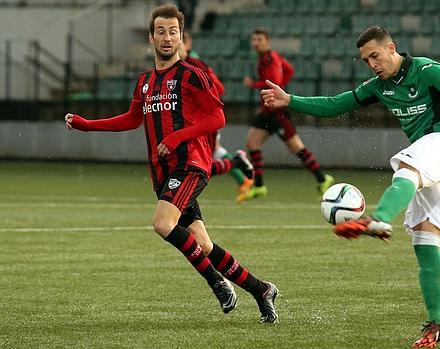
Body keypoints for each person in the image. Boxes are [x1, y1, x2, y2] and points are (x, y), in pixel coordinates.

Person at [261, 26, 440, 348]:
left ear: (391, 48)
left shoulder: (426, 70)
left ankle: (378, 218)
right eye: (365, 60)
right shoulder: (379, 86)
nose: (372, 64)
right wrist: (290, 100)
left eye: (375, 56)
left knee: (406, 170)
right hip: (432, 155)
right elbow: (337, 104)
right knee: (424, 236)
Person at [63, 4, 278, 323]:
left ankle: (218, 284)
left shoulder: (192, 75)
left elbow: (217, 116)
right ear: (151, 38)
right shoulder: (145, 81)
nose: (167, 37)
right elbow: (131, 119)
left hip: (190, 165)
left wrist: (178, 138)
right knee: (203, 246)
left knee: (163, 223)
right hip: (162, 173)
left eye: (173, 31)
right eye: (161, 32)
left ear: (181, 37)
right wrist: (87, 124)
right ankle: (261, 290)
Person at [240, 27, 334, 203]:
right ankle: (259, 185)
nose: (255, 43)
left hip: (278, 112)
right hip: (268, 110)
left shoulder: (269, 58)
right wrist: (280, 85)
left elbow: (273, 81)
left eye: (259, 40)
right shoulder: (268, 57)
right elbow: (289, 69)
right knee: (252, 143)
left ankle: (322, 178)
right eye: (254, 40)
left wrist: (254, 84)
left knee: (296, 147)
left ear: (267, 41)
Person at [179, 35, 255, 199]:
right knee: (209, 157)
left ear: (186, 44)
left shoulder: (193, 64)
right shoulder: (187, 62)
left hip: (202, 120)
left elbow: (217, 89)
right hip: (196, 119)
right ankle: (241, 174)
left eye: (179, 43)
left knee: (199, 166)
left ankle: (238, 167)